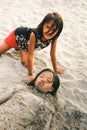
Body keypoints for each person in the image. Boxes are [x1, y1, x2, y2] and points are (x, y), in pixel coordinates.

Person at [0, 12, 64, 81]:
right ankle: (19, 48)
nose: (50, 32)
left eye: (54, 30)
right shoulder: (34, 35)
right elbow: (30, 56)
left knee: (27, 64)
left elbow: (52, 54)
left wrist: (55, 69)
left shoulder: (54, 38)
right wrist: (30, 75)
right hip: (16, 37)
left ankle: (21, 48)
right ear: (43, 25)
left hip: (26, 45)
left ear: (58, 32)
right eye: (48, 27)